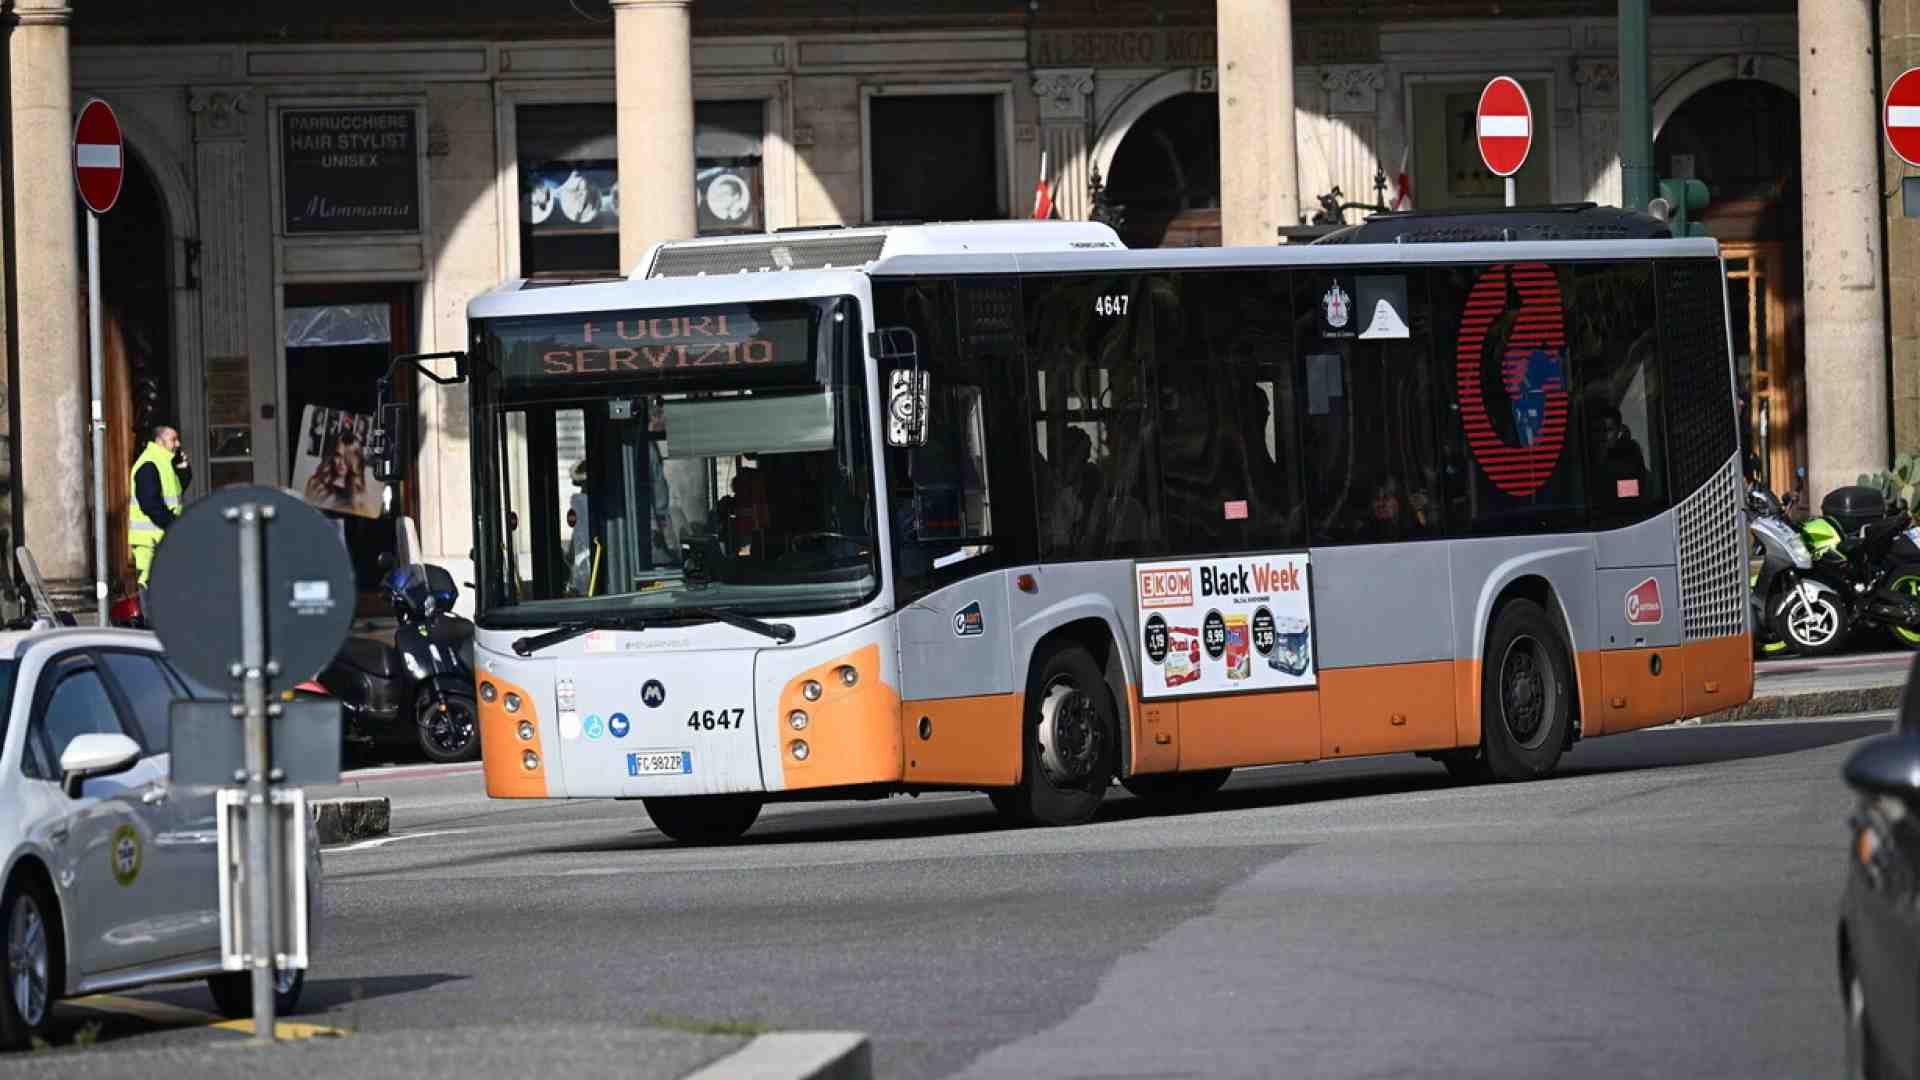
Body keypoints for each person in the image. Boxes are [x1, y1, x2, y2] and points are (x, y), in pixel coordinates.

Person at [128, 424, 185, 588]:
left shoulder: (164, 462)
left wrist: (183, 467)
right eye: (173, 439)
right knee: (152, 590)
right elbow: (150, 505)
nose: (178, 444)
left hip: (162, 540)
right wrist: (174, 524)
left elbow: (178, 488)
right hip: (151, 544)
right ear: (159, 441)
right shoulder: (149, 464)